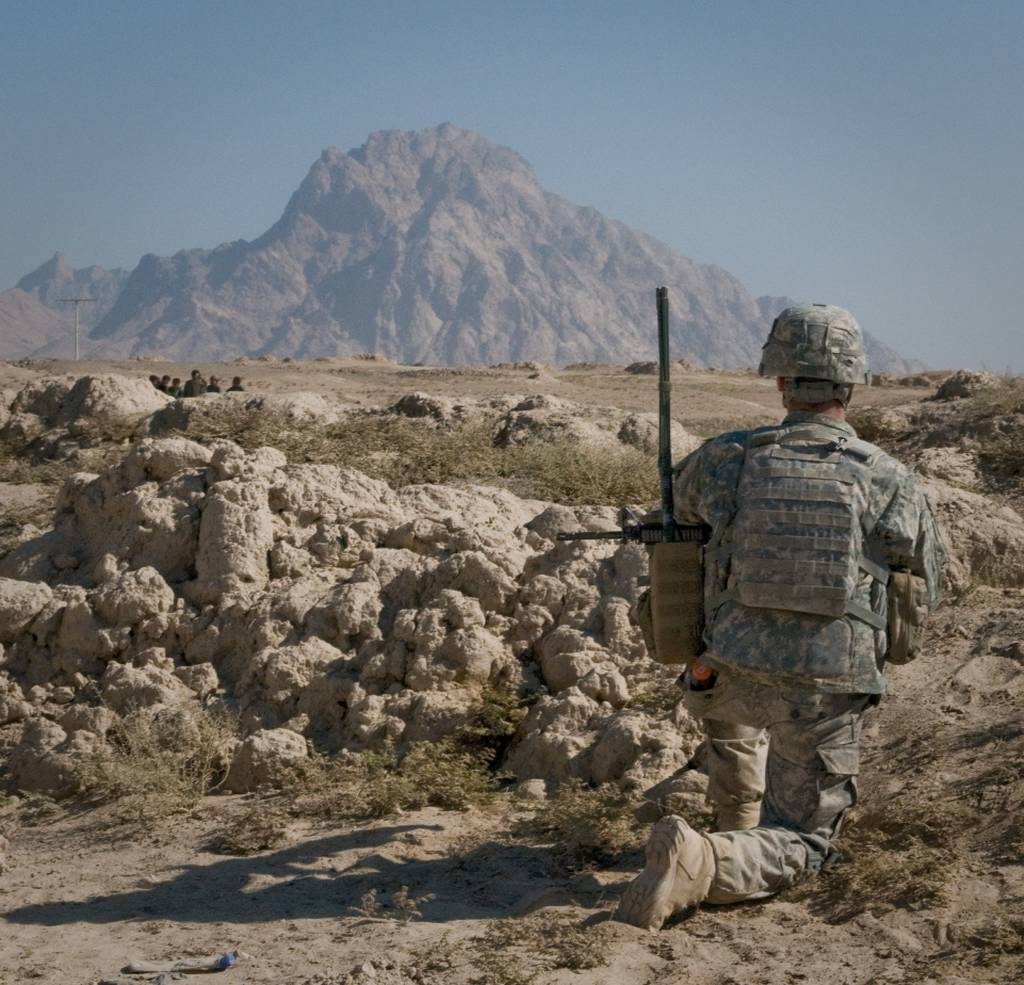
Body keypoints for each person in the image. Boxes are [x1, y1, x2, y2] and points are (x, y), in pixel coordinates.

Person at [616, 303, 945, 930]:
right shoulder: (889, 477)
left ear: (780, 382)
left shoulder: (721, 459)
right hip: (823, 687)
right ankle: (707, 859)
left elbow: (680, 527)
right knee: (807, 840)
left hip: (723, 674)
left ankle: (732, 820)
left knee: (733, 692)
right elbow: (931, 575)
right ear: (850, 384)